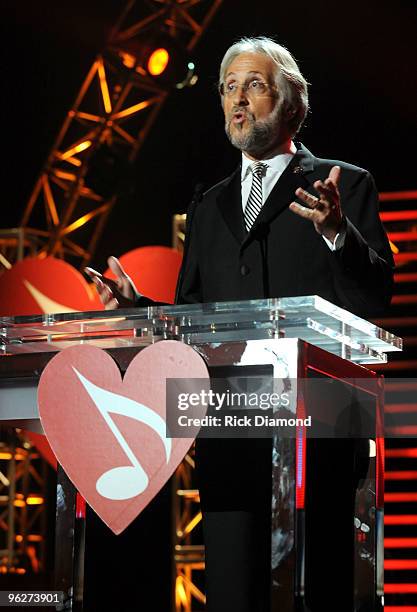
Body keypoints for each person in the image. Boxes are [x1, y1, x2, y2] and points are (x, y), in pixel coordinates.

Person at [86, 37, 394, 612]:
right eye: (229, 88)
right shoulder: (208, 206)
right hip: (229, 436)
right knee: (231, 594)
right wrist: (138, 309)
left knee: (315, 594)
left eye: (254, 84)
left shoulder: (343, 185)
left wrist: (335, 233)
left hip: (313, 440)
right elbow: (195, 319)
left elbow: (374, 295)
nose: (239, 99)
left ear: (294, 104)